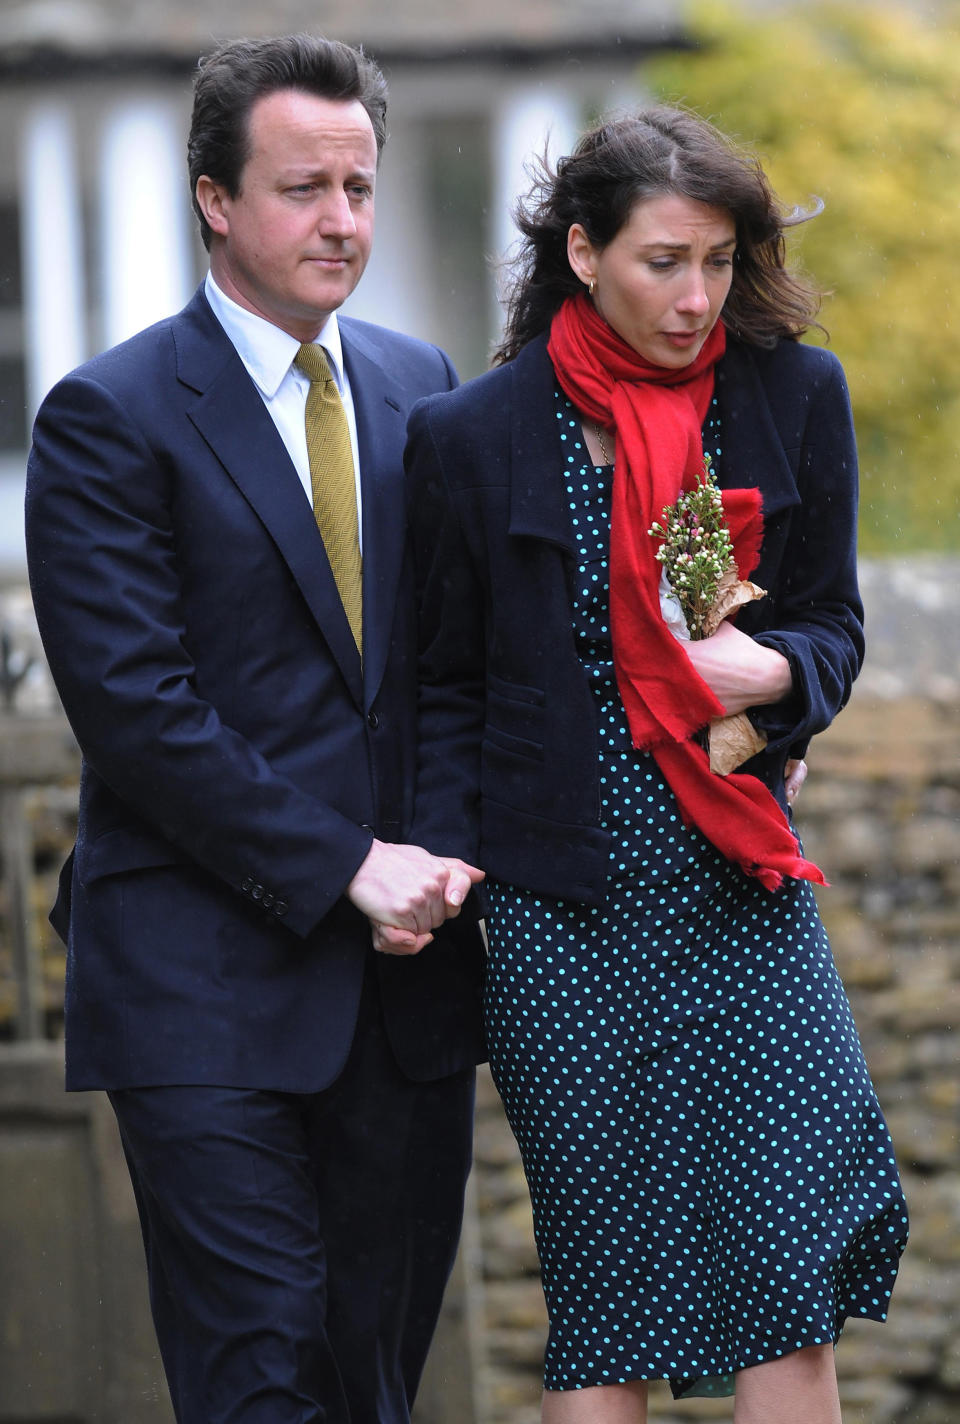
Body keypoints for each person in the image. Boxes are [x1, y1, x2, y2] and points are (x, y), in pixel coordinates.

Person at [403, 107, 908, 1423]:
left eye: (723, 263)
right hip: (556, 911)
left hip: (741, 879)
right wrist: (452, 870)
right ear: (582, 251)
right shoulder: (470, 436)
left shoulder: (793, 394)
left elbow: (831, 627)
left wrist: (780, 674)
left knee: (787, 1277)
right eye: (664, 263)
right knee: (612, 1298)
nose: (699, 298)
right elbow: (443, 686)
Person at [25, 34, 485, 1424]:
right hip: (199, 986)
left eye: (359, 184)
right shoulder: (107, 417)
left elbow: (457, 669)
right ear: (216, 200)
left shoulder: (422, 383)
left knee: (371, 1384)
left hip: (403, 996)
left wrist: (446, 861)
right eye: (303, 187)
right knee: (260, 1374)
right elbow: (137, 710)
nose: (342, 218)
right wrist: (351, 861)